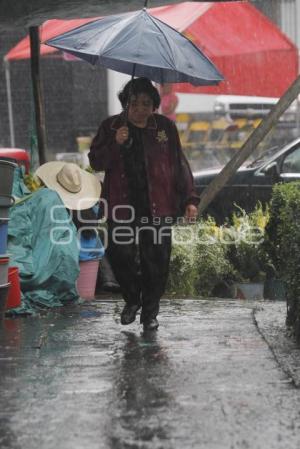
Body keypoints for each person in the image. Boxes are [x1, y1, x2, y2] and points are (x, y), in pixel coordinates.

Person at [88, 77, 199, 331]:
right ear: (126, 104)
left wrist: (190, 199)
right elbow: (96, 161)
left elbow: (178, 164)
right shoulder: (111, 127)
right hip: (121, 205)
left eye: (146, 104)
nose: (140, 109)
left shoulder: (165, 128)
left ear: (155, 106)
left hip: (158, 205)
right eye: (135, 103)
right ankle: (131, 299)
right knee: (120, 255)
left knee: (157, 261)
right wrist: (115, 143)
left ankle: (149, 313)